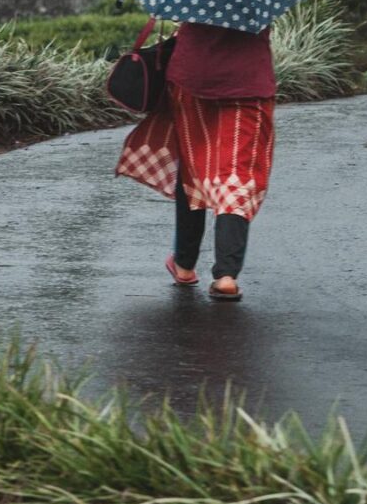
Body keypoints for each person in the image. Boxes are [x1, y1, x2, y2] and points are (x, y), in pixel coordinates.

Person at [114, 19, 275, 301]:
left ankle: (184, 264)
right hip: (247, 83)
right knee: (236, 174)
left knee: (193, 165)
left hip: (192, 78)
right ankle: (226, 275)